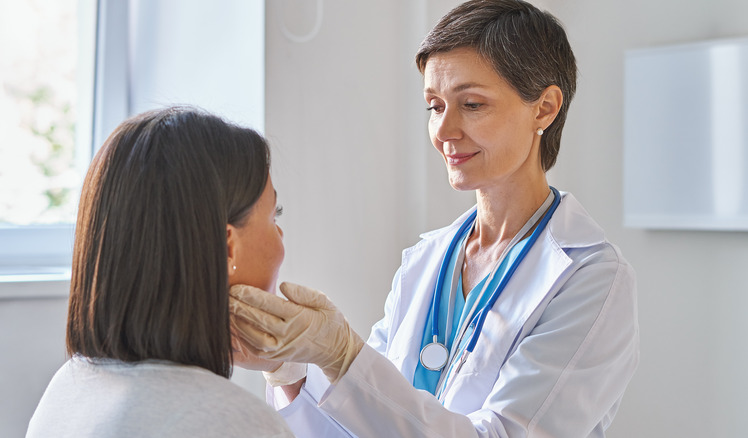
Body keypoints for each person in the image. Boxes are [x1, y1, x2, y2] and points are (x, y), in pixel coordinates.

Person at [228, 1, 640, 437]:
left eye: (472, 104)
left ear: (544, 108)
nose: (444, 131)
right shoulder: (426, 260)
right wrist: (289, 369)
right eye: (435, 106)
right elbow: (359, 426)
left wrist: (343, 355)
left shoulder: (591, 279)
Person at [26, 107, 292, 438]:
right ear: (227, 247)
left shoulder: (67, 389)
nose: (280, 240)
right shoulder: (233, 422)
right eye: (273, 217)